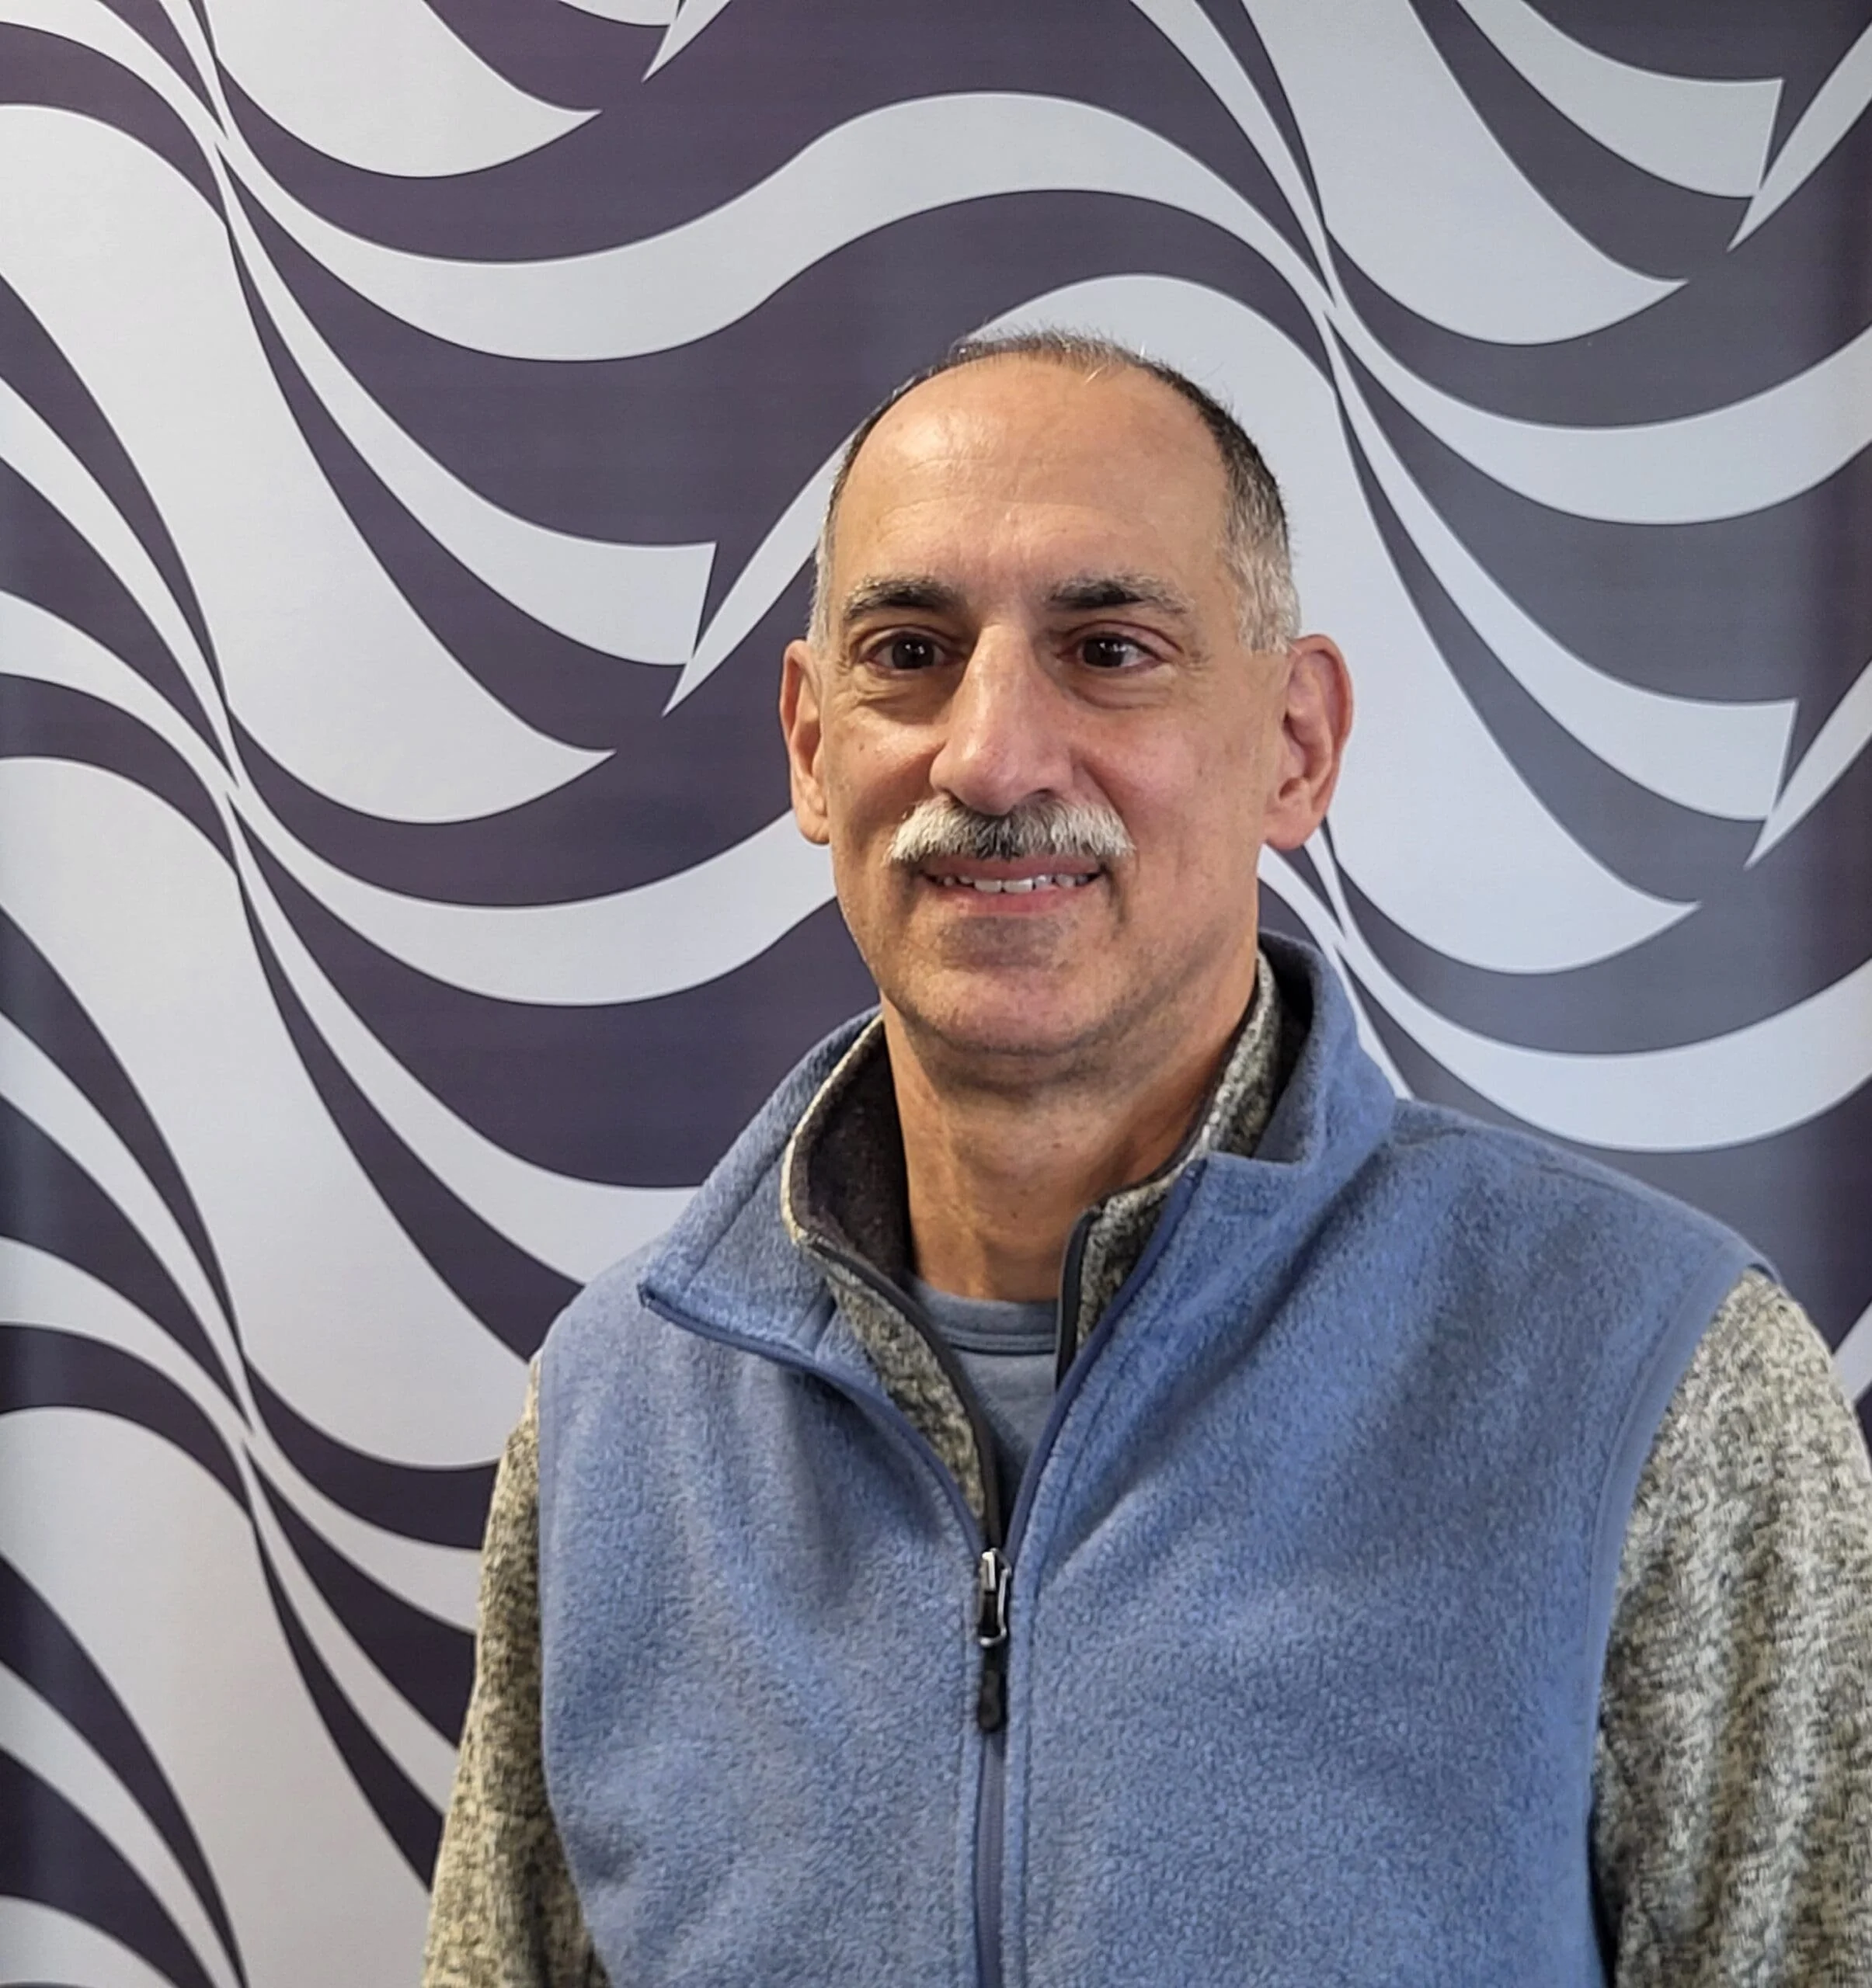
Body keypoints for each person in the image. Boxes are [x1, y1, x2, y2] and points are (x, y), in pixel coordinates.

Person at [423, 333, 1872, 1986]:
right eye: (910, 649)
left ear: (1294, 741)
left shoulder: (1656, 1378)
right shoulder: (614, 1411)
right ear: (812, 745)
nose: (989, 755)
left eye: (1108, 649)